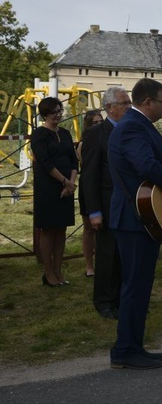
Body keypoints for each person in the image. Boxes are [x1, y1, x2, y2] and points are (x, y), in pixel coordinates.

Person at [108, 78, 162, 370]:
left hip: (142, 217)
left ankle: (134, 345)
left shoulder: (139, 125)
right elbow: (146, 166)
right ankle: (124, 350)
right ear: (147, 102)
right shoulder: (133, 126)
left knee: (141, 283)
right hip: (134, 217)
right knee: (135, 284)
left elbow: (161, 162)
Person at [80, 87, 130, 319]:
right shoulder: (96, 134)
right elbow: (89, 176)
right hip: (107, 201)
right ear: (110, 107)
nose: (129, 107)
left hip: (131, 201)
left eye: (130, 103)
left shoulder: (132, 130)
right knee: (107, 253)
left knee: (125, 253)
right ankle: (104, 301)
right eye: (125, 103)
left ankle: (122, 297)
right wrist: (94, 211)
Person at [31, 97, 79, 287]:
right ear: (45, 115)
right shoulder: (39, 134)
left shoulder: (66, 133)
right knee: (49, 230)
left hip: (67, 188)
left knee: (61, 229)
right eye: (54, 112)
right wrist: (65, 181)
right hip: (48, 187)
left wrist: (71, 183)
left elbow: (74, 160)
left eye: (60, 111)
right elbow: (45, 162)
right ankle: (48, 272)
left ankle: (59, 271)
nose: (58, 115)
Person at [77, 109, 103, 278]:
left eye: (101, 122)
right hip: (89, 187)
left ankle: (103, 261)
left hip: (104, 187)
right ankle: (89, 265)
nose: (99, 125)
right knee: (88, 229)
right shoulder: (83, 144)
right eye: (95, 123)